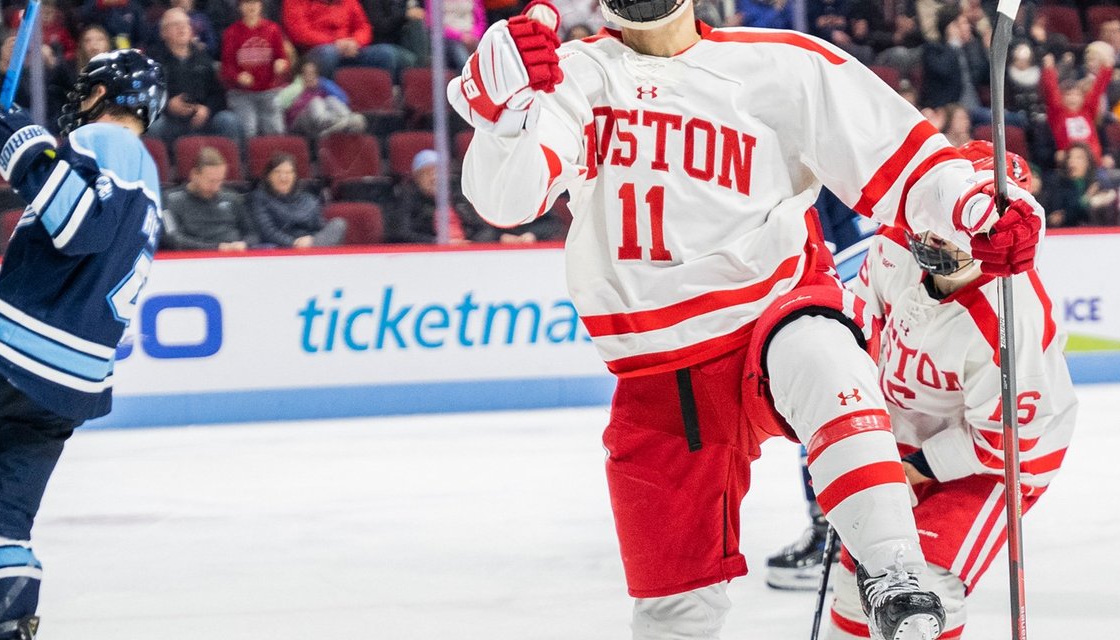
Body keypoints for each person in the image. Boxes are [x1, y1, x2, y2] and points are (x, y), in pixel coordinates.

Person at [448, 0, 1046, 636]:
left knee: (820, 346)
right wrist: (503, 120)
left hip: (769, 314)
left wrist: (974, 207)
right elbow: (507, 200)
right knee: (673, 611)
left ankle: (894, 566)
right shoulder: (571, 75)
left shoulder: (785, 64)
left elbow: (908, 164)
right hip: (657, 375)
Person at [0, 49, 165, 640]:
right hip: (66, 385)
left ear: (107, 97)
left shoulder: (111, 142)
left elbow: (81, 226)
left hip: (15, 354)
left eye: (86, 92)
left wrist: (19, 145)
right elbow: (75, 266)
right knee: (2, 519)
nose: (77, 105)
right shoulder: (146, 175)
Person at [824, 140, 1075, 640]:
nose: (934, 237)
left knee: (926, 589)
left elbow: (1004, 441)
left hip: (996, 464)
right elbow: (860, 327)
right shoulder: (896, 244)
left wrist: (915, 468)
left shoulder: (1011, 316)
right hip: (903, 431)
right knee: (863, 575)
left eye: (958, 231)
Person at [149, 8, 246, 145]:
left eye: (186, 24)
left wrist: (207, 110)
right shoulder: (153, 61)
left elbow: (218, 95)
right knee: (154, 126)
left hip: (203, 120)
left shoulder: (204, 59)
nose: (182, 28)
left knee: (228, 120)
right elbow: (146, 97)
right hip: (170, 121)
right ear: (163, 33)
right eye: (175, 24)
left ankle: (236, 165)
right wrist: (167, 105)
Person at [162, 146, 259, 251]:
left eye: (220, 180)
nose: (216, 187)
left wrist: (244, 244)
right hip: (195, 258)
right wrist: (215, 248)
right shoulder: (171, 200)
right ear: (194, 174)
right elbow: (171, 239)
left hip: (234, 254)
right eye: (211, 181)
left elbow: (253, 234)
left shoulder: (232, 197)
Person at [221, 0, 293, 138]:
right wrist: (238, 76)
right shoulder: (231, 32)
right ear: (240, 7)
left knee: (276, 130)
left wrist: (281, 64)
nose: (251, 7)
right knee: (249, 129)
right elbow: (226, 67)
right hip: (242, 93)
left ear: (261, 5)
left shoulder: (273, 29)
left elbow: (283, 58)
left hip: (269, 91)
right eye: (247, 3)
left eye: (255, 2)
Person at [282, 0, 403, 78]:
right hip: (314, 53)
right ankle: (325, 99)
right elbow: (300, 33)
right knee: (329, 54)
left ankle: (379, 108)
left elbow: (364, 26)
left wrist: (355, 42)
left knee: (384, 54)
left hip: (350, 49)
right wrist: (335, 42)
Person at [249, 152, 347, 247]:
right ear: (268, 176)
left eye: (288, 172)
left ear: (295, 176)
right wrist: (294, 243)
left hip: (313, 242)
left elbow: (320, 227)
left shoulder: (308, 199)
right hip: (285, 247)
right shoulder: (260, 197)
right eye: (277, 172)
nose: (283, 177)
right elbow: (267, 232)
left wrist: (311, 240)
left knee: (339, 224)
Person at [1040, 51, 1111, 162]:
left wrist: (1107, 69)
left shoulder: (1087, 111)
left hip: (1092, 161)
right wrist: (1049, 69)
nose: (1073, 99)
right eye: (1068, 95)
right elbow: (1051, 91)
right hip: (1069, 161)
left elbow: (1097, 91)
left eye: (1077, 95)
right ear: (1062, 98)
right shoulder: (1058, 113)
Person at [276, 56, 367, 137]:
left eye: (313, 73)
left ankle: (347, 120)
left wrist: (323, 83)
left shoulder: (321, 87)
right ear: (299, 75)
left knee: (331, 100)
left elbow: (344, 99)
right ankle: (339, 123)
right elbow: (280, 102)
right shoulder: (292, 88)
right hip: (298, 123)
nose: (310, 77)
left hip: (320, 122)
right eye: (306, 74)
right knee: (316, 101)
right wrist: (300, 85)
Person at [386, 148, 462, 243]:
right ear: (417, 177)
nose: (434, 177)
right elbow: (402, 234)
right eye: (427, 173)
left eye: (439, 172)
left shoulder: (461, 197)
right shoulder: (406, 201)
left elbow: (483, 227)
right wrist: (437, 242)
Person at [1042, 143, 1111, 227]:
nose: (1072, 161)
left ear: (1088, 163)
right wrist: (1086, 199)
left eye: (1079, 158)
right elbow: (1060, 216)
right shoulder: (1058, 183)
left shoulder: (1096, 183)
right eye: (1070, 157)